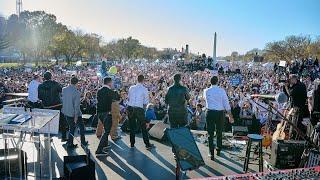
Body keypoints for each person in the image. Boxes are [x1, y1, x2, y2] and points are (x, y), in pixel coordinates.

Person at [204, 76, 234, 160]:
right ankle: (218, 149)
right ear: (217, 82)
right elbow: (226, 104)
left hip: (209, 112)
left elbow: (205, 101)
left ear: (210, 82)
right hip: (220, 113)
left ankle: (211, 152)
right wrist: (230, 116)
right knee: (219, 132)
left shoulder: (206, 91)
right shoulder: (221, 91)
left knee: (210, 133)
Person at [127, 75, 154, 149]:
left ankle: (132, 144)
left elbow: (128, 98)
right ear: (143, 80)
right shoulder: (144, 89)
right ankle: (147, 144)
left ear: (137, 79)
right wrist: (143, 111)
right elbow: (146, 102)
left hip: (130, 108)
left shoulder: (131, 88)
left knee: (132, 127)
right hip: (139, 109)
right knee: (143, 127)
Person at [38, 71, 67, 141]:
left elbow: (40, 97)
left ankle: (48, 137)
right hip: (57, 105)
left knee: (47, 122)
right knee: (62, 121)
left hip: (47, 106)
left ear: (44, 78)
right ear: (51, 77)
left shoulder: (40, 86)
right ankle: (64, 137)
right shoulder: (55, 84)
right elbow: (61, 91)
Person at [95, 77, 120, 156]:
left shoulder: (99, 90)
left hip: (99, 113)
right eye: (112, 83)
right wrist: (115, 91)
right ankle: (99, 150)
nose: (112, 84)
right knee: (106, 131)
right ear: (109, 83)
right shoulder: (110, 91)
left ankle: (105, 145)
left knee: (105, 129)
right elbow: (117, 98)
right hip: (106, 113)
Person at [61, 76, 87, 148]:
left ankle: (70, 143)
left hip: (66, 112)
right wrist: (76, 117)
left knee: (71, 128)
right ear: (77, 83)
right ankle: (83, 142)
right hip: (74, 114)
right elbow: (76, 106)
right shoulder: (77, 92)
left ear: (70, 81)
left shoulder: (64, 89)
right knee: (81, 127)